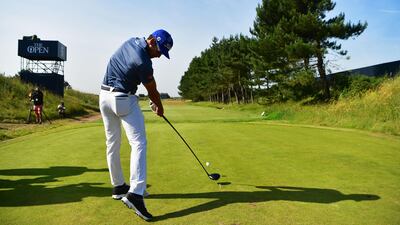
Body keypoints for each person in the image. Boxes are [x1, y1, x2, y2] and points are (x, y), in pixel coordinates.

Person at [99, 29, 173, 221]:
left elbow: (133, 76)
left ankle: (119, 186)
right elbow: (152, 89)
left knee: (112, 143)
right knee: (139, 143)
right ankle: (136, 194)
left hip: (104, 97)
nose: (158, 56)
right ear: (152, 42)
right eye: (159, 51)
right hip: (122, 99)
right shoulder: (144, 62)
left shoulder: (130, 41)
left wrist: (152, 99)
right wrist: (159, 106)